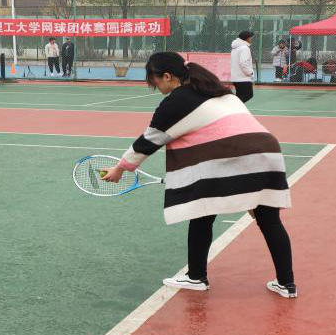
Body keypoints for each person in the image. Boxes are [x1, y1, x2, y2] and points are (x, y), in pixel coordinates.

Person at [102, 52, 296, 298]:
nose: (156, 87)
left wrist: (120, 168)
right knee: (270, 221)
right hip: (267, 152)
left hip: (235, 155)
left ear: (168, 76)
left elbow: (150, 140)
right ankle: (287, 284)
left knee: (202, 212)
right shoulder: (219, 91)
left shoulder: (177, 101)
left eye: (155, 81)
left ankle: (196, 277)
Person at [230, 30, 255, 102]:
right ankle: (232, 107)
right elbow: (243, 63)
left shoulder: (235, 48)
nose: (251, 39)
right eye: (250, 38)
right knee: (248, 95)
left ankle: (235, 108)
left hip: (236, 78)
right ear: (247, 38)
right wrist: (250, 73)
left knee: (240, 97)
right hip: (243, 78)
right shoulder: (245, 48)